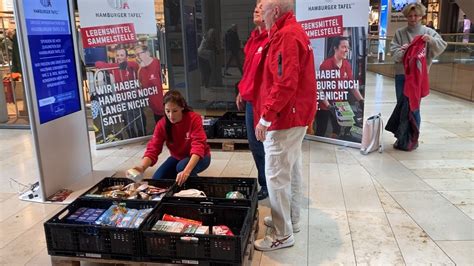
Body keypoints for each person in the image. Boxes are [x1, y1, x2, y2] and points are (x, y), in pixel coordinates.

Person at [253, 0, 316, 251]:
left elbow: (285, 82)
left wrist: (266, 116)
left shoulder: (286, 36)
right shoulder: (290, 31)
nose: (260, 12)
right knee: (292, 168)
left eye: (263, 7)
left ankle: (282, 234)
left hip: (285, 117)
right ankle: (292, 219)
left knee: (276, 175)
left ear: (275, 11)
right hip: (295, 115)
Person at [131, 90, 211, 185]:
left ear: (182, 107)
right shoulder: (162, 124)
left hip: (201, 157)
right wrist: (142, 167)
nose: (171, 115)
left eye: (175, 111)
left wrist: (187, 171)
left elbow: (198, 147)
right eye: (167, 111)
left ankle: (201, 189)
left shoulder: (194, 119)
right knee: (157, 179)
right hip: (178, 157)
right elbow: (153, 148)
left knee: (182, 167)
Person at [390, 3, 446, 131]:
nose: (413, 18)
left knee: (414, 107)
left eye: (416, 15)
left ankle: (413, 137)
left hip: (418, 77)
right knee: (401, 106)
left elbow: (442, 45)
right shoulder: (400, 33)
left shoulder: (428, 32)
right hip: (402, 76)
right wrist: (406, 50)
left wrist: (430, 40)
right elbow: (394, 54)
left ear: (421, 16)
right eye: (410, 16)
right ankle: (402, 136)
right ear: (406, 17)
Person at [235, 1, 269, 200]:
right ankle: (264, 182)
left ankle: (269, 183)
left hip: (264, 102)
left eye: (261, 7)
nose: (256, 9)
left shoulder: (272, 39)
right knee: (255, 144)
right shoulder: (254, 37)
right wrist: (242, 89)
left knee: (265, 145)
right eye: (255, 6)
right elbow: (248, 69)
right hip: (250, 100)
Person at [316, 36, 364, 138]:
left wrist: (361, 100)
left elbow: (352, 85)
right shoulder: (326, 65)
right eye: (343, 47)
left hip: (339, 104)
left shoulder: (346, 64)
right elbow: (319, 88)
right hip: (325, 105)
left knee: (338, 131)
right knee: (321, 131)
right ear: (335, 48)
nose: (347, 50)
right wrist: (328, 106)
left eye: (348, 47)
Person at [95, 45, 146, 138]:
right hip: (122, 97)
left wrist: (126, 65)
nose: (119, 57)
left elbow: (138, 69)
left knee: (138, 114)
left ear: (126, 57)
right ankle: (132, 134)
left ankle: (142, 132)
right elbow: (98, 63)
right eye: (117, 55)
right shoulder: (113, 67)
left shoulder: (132, 64)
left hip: (134, 95)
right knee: (127, 116)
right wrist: (118, 65)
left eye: (122, 55)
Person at [135, 45, 165, 123]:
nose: (137, 57)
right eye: (136, 55)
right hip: (155, 110)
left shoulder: (157, 64)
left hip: (167, 108)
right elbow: (141, 89)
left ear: (147, 53)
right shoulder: (140, 71)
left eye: (139, 54)